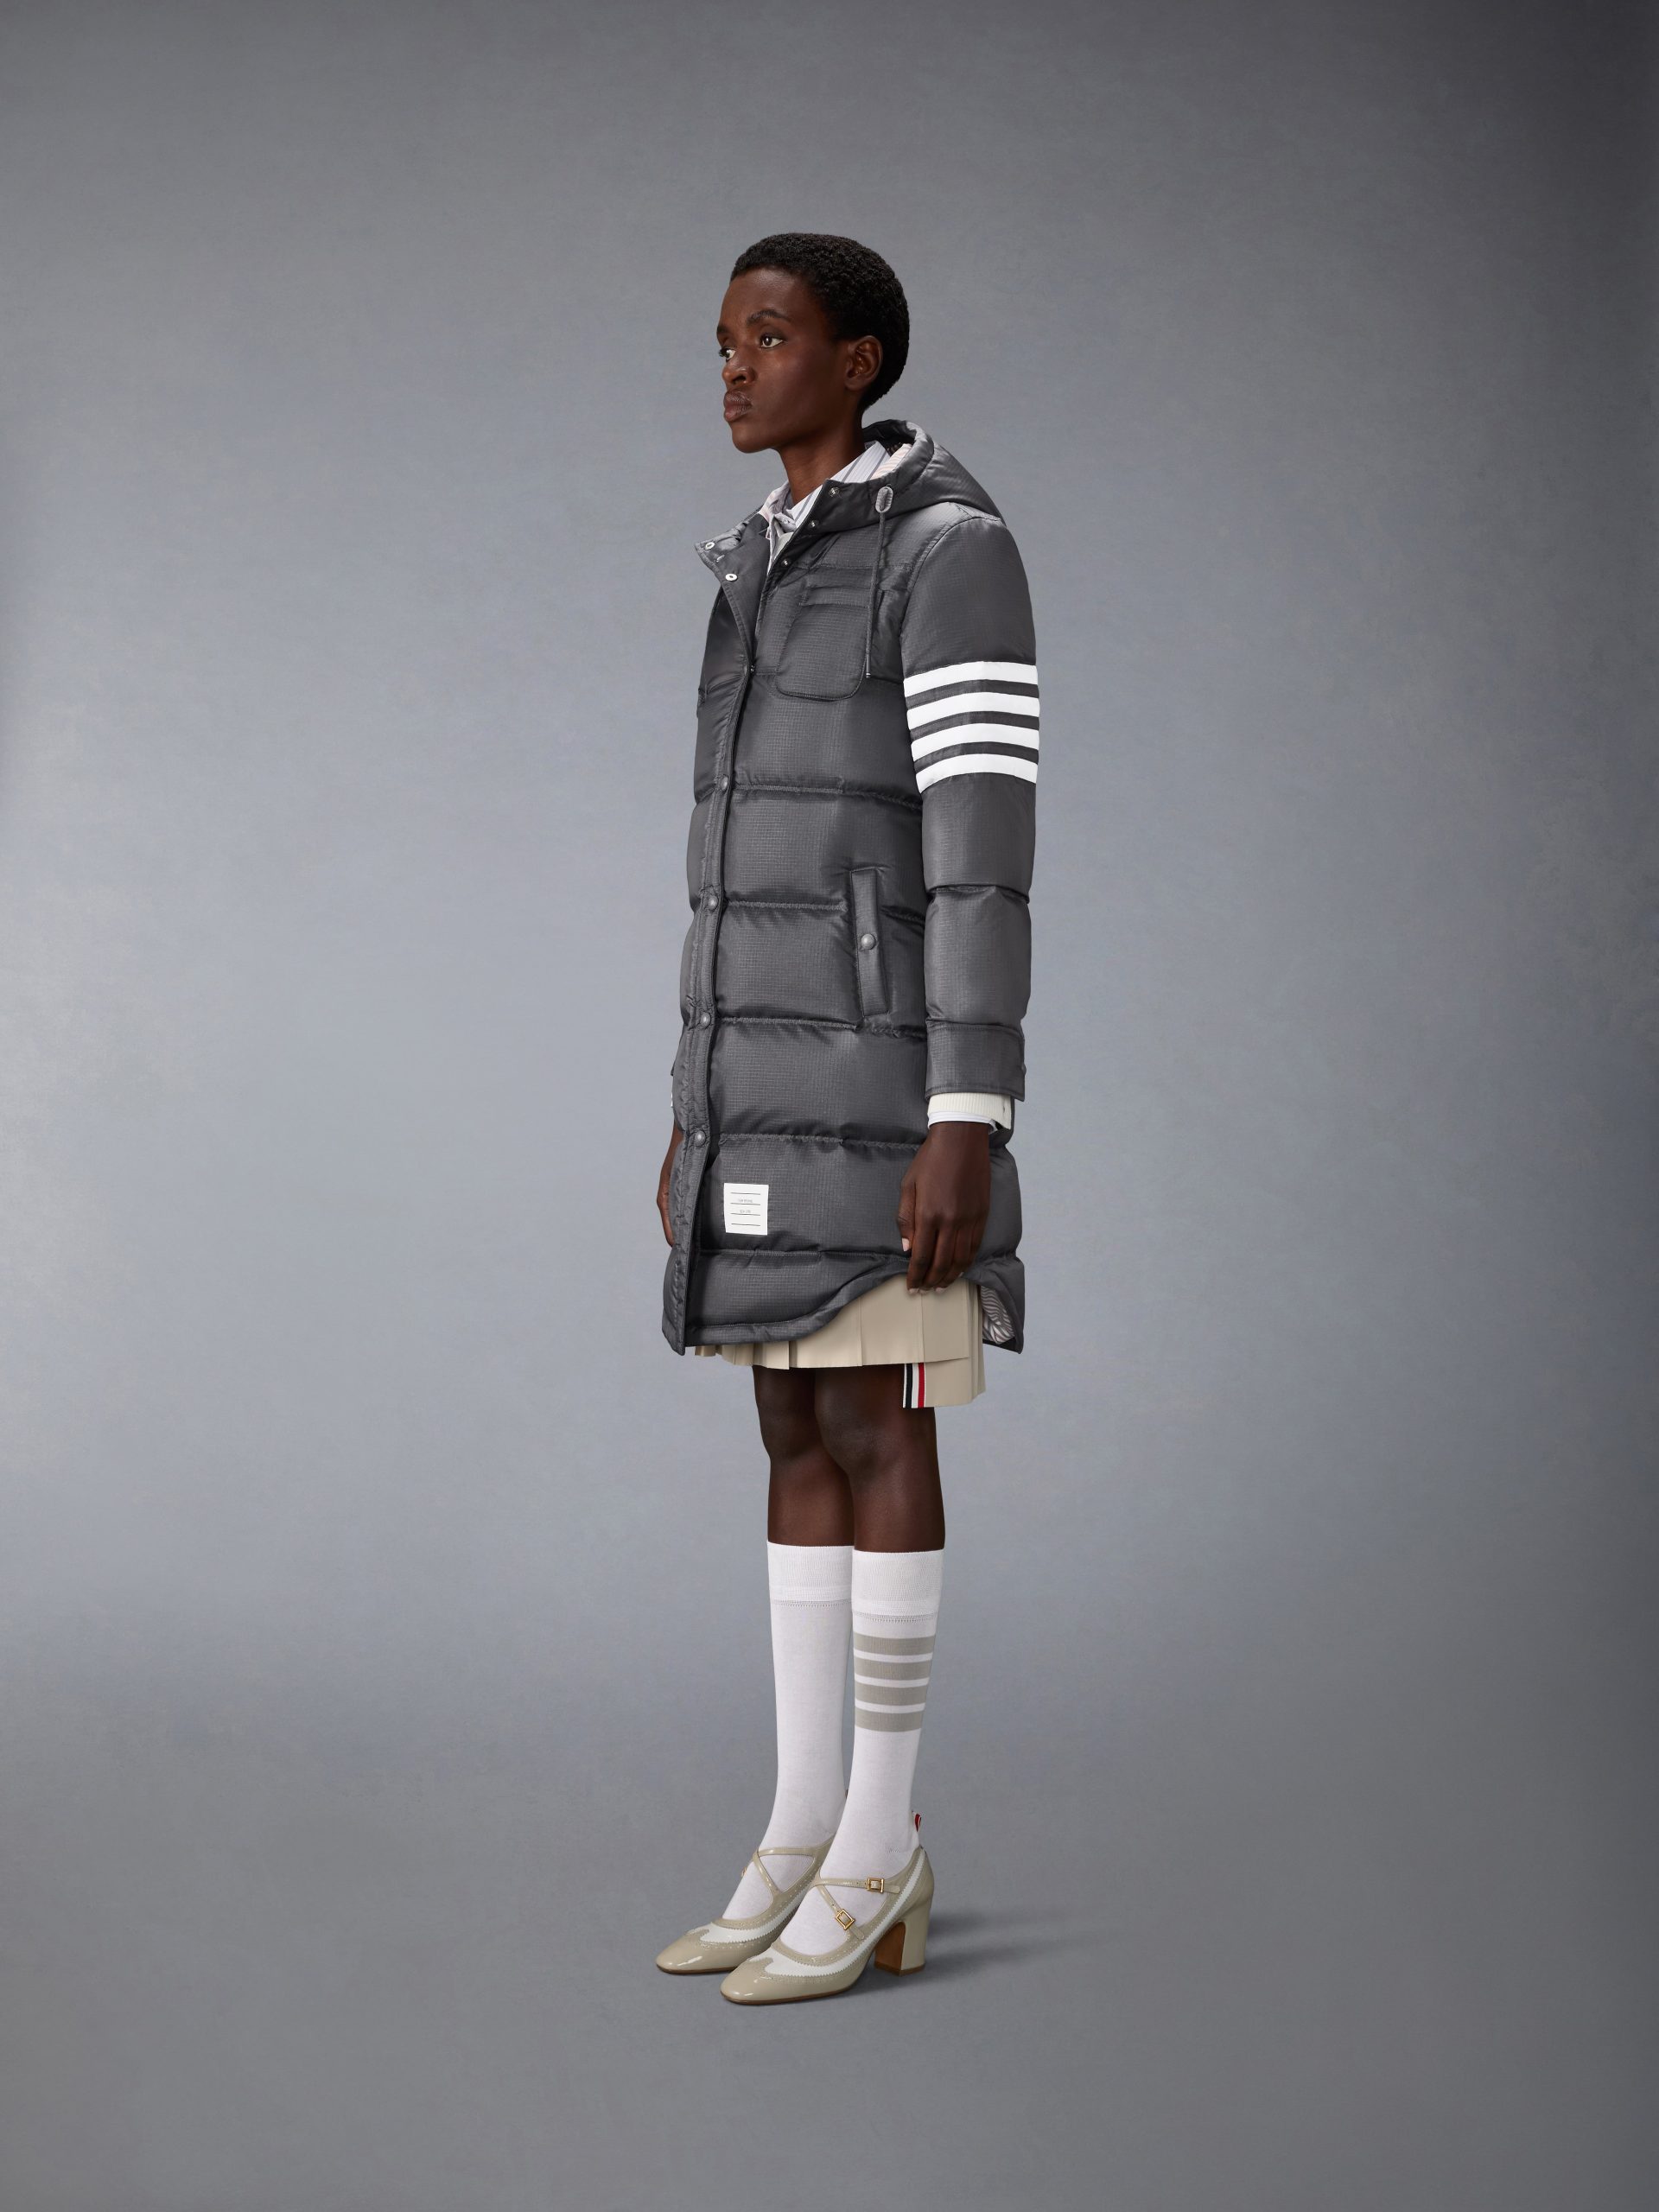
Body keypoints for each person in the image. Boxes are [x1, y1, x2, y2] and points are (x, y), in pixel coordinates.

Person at [653, 232, 1039, 2003]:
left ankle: (882, 1848)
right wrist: (696, 1108)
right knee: (792, 1427)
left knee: (884, 1430)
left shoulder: (948, 555)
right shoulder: (758, 563)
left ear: (860, 359)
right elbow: (735, 885)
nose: (737, 368)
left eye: (772, 336)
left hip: (890, 1104)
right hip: (763, 1106)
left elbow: (979, 851)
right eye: (727, 340)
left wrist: (969, 1106)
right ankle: (802, 1825)